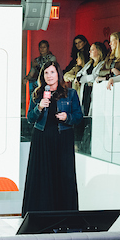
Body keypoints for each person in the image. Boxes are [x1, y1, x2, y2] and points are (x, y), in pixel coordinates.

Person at [22, 61, 83, 217]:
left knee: (64, 177)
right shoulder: (37, 94)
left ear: (58, 74)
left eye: (52, 72)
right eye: (46, 73)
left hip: (63, 140)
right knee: (42, 178)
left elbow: (78, 117)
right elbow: (30, 118)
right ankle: (40, 216)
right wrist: (39, 107)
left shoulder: (71, 93)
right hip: (42, 140)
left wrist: (67, 117)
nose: (49, 76)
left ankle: (64, 217)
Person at [75, 42, 107, 116]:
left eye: (92, 50)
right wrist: (83, 79)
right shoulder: (89, 64)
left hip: (95, 92)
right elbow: (79, 74)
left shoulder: (103, 63)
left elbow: (95, 76)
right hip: (85, 91)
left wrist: (83, 79)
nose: (89, 51)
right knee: (84, 111)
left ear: (99, 51)